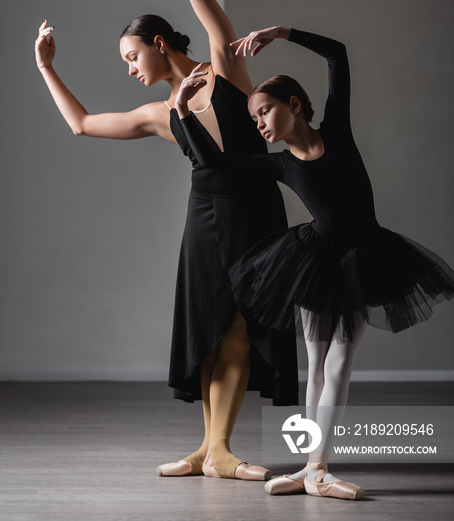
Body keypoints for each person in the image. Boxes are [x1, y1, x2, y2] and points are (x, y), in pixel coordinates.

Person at [34, 0, 298, 481]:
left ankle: (219, 450)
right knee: (209, 326)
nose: (130, 70)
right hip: (204, 219)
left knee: (242, 326)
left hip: (257, 213)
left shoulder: (227, 68)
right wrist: (45, 66)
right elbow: (82, 124)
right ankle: (209, 449)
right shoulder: (159, 114)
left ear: (160, 43)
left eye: (132, 57)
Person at [174, 25, 454, 499]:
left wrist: (282, 33)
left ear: (295, 104)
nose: (260, 124)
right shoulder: (281, 164)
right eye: (255, 117)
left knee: (340, 363)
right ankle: (312, 469)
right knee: (317, 365)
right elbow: (215, 163)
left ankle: (318, 470)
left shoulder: (338, 131)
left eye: (265, 111)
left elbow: (338, 55)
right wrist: (181, 110)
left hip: (364, 256)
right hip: (315, 260)